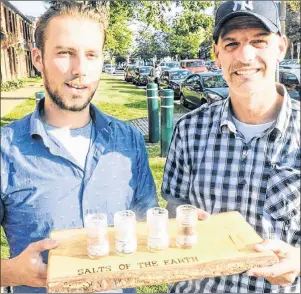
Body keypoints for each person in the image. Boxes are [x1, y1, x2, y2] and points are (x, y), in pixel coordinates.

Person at [0, 1, 157, 293]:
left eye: (91, 55)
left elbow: (149, 227)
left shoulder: (129, 141)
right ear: (38, 58)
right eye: (65, 53)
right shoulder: (6, 150)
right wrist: (8, 272)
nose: (80, 69)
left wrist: (189, 228)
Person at [162, 1, 300, 293]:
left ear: (281, 48)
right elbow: (174, 204)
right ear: (217, 54)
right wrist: (182, 218)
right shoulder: (189, 129)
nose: (245, 56)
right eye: (232, 44)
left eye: (259, 41)